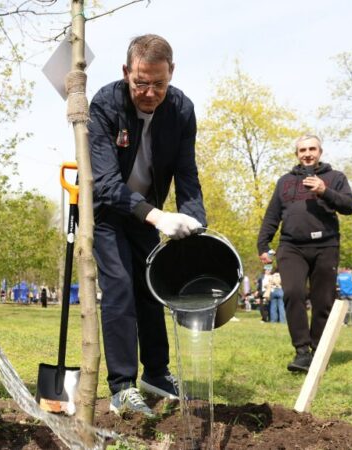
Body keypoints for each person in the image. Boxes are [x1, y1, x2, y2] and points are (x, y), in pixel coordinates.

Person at [88, 34, 206, 416]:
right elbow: (105, 183)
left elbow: (187, 174)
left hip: (148, 213)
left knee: (152, 288)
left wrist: (196, 225)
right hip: (106, 212)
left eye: (159, 83)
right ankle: (122, 385)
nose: (149, 92)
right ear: (126, 72)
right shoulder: (105, 105)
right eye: (140, 82)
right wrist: (157, 216)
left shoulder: (182, 110)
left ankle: (156, 372)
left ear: (172, 74)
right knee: (120, 286)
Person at [257, 134, 352, 373]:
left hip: (326, 245)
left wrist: (325, 190)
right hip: (292, 246)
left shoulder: (335, 177)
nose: (307, 153)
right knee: (293, 292)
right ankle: (302, 351)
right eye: (302, 150)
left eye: (312, 149)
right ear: (297, 154)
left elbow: (349, 206)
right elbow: (272, 215)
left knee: (323, 301)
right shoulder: (285, 182)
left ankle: (318, 350)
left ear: (320, 152)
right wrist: (263, 245)